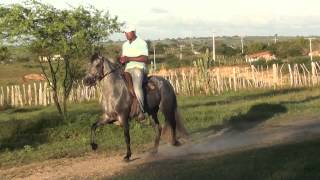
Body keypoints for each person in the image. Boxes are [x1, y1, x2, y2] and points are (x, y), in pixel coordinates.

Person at [119, 25, 148, 120]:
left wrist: (129, 58)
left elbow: (145, 58)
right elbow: (124, 58)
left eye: (128, 32)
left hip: (138, 68)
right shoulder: (125, 45)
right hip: (127, 69)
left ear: (134, 32)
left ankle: (141, 111)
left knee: (136, 88)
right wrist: (122, 61)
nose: (126, 34)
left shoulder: (142, 43)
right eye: (125, 33)